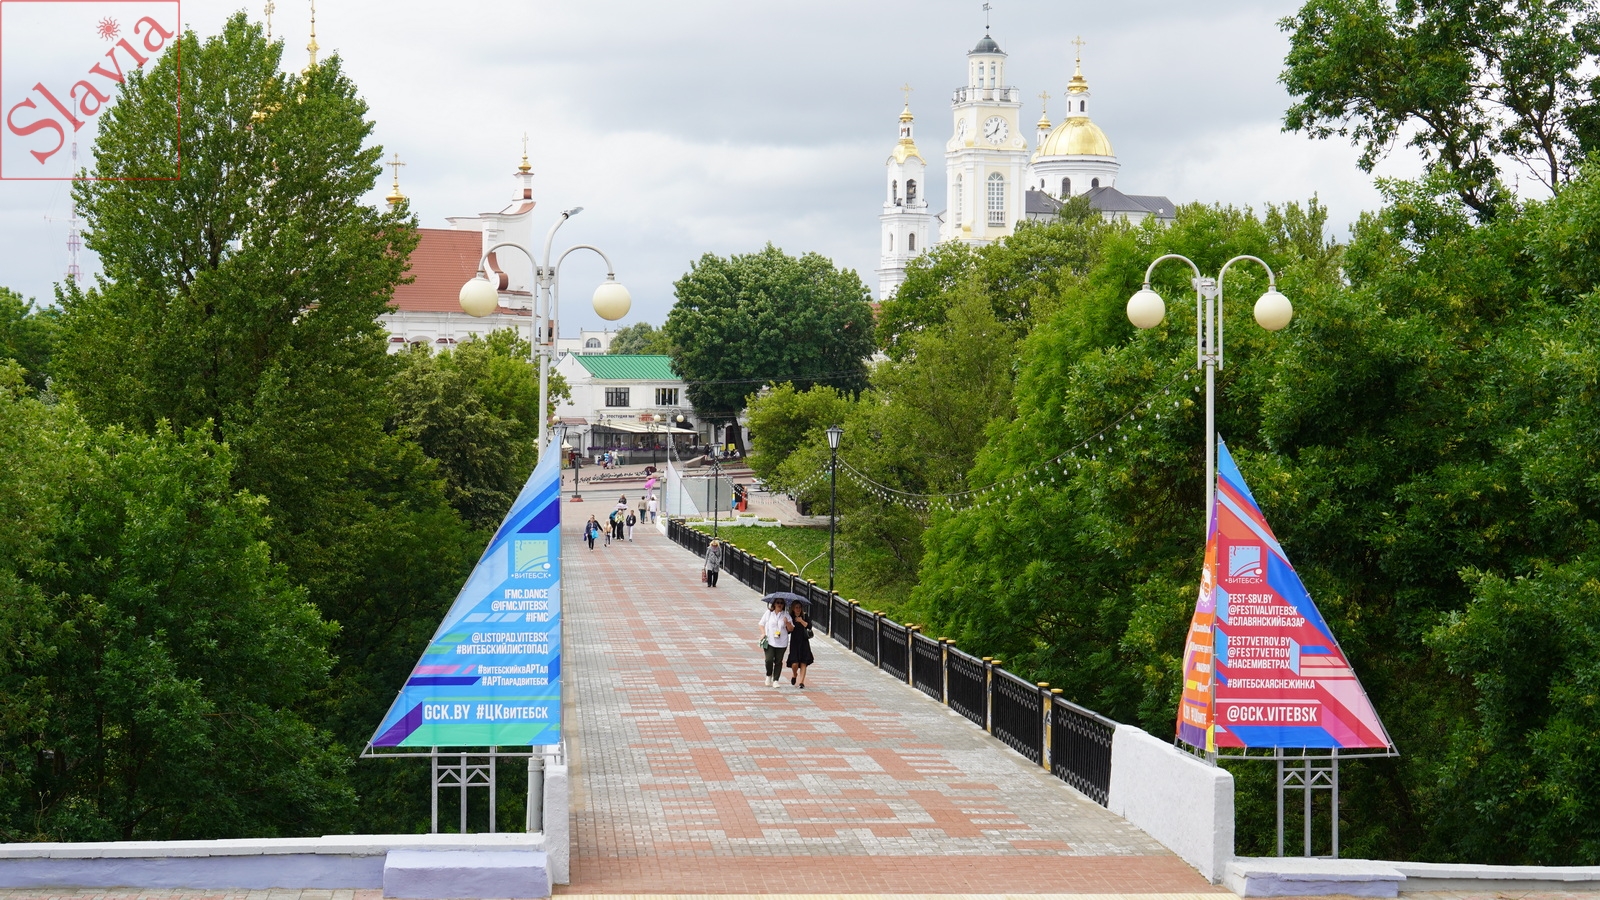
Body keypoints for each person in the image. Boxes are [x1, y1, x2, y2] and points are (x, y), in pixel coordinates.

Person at [758, 597, 792, 688]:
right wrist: (763, 633)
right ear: (774, 604)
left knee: (778, 661)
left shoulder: (786, 615)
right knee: (769, 660)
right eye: (778, 602)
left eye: (781, 603)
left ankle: (776, 680)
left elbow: (791, 629)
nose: (779, 604)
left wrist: (787, 623)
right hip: (770, 641)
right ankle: (769, 674)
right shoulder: (769, 613)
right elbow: (761, 624)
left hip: (782, 642)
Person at [785, 600, 814, 688]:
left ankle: (801, 682)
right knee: (795, 663)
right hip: (794, 643)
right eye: (796, 607)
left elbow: (809, 626)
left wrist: (801, 621)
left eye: (799, 607)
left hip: (804, 642)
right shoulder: (791, 617)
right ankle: (794, 674)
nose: (798, 609)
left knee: (803, 662)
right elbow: (788, 631)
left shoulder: (804, 616)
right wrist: (788, 623)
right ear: (793, 609)